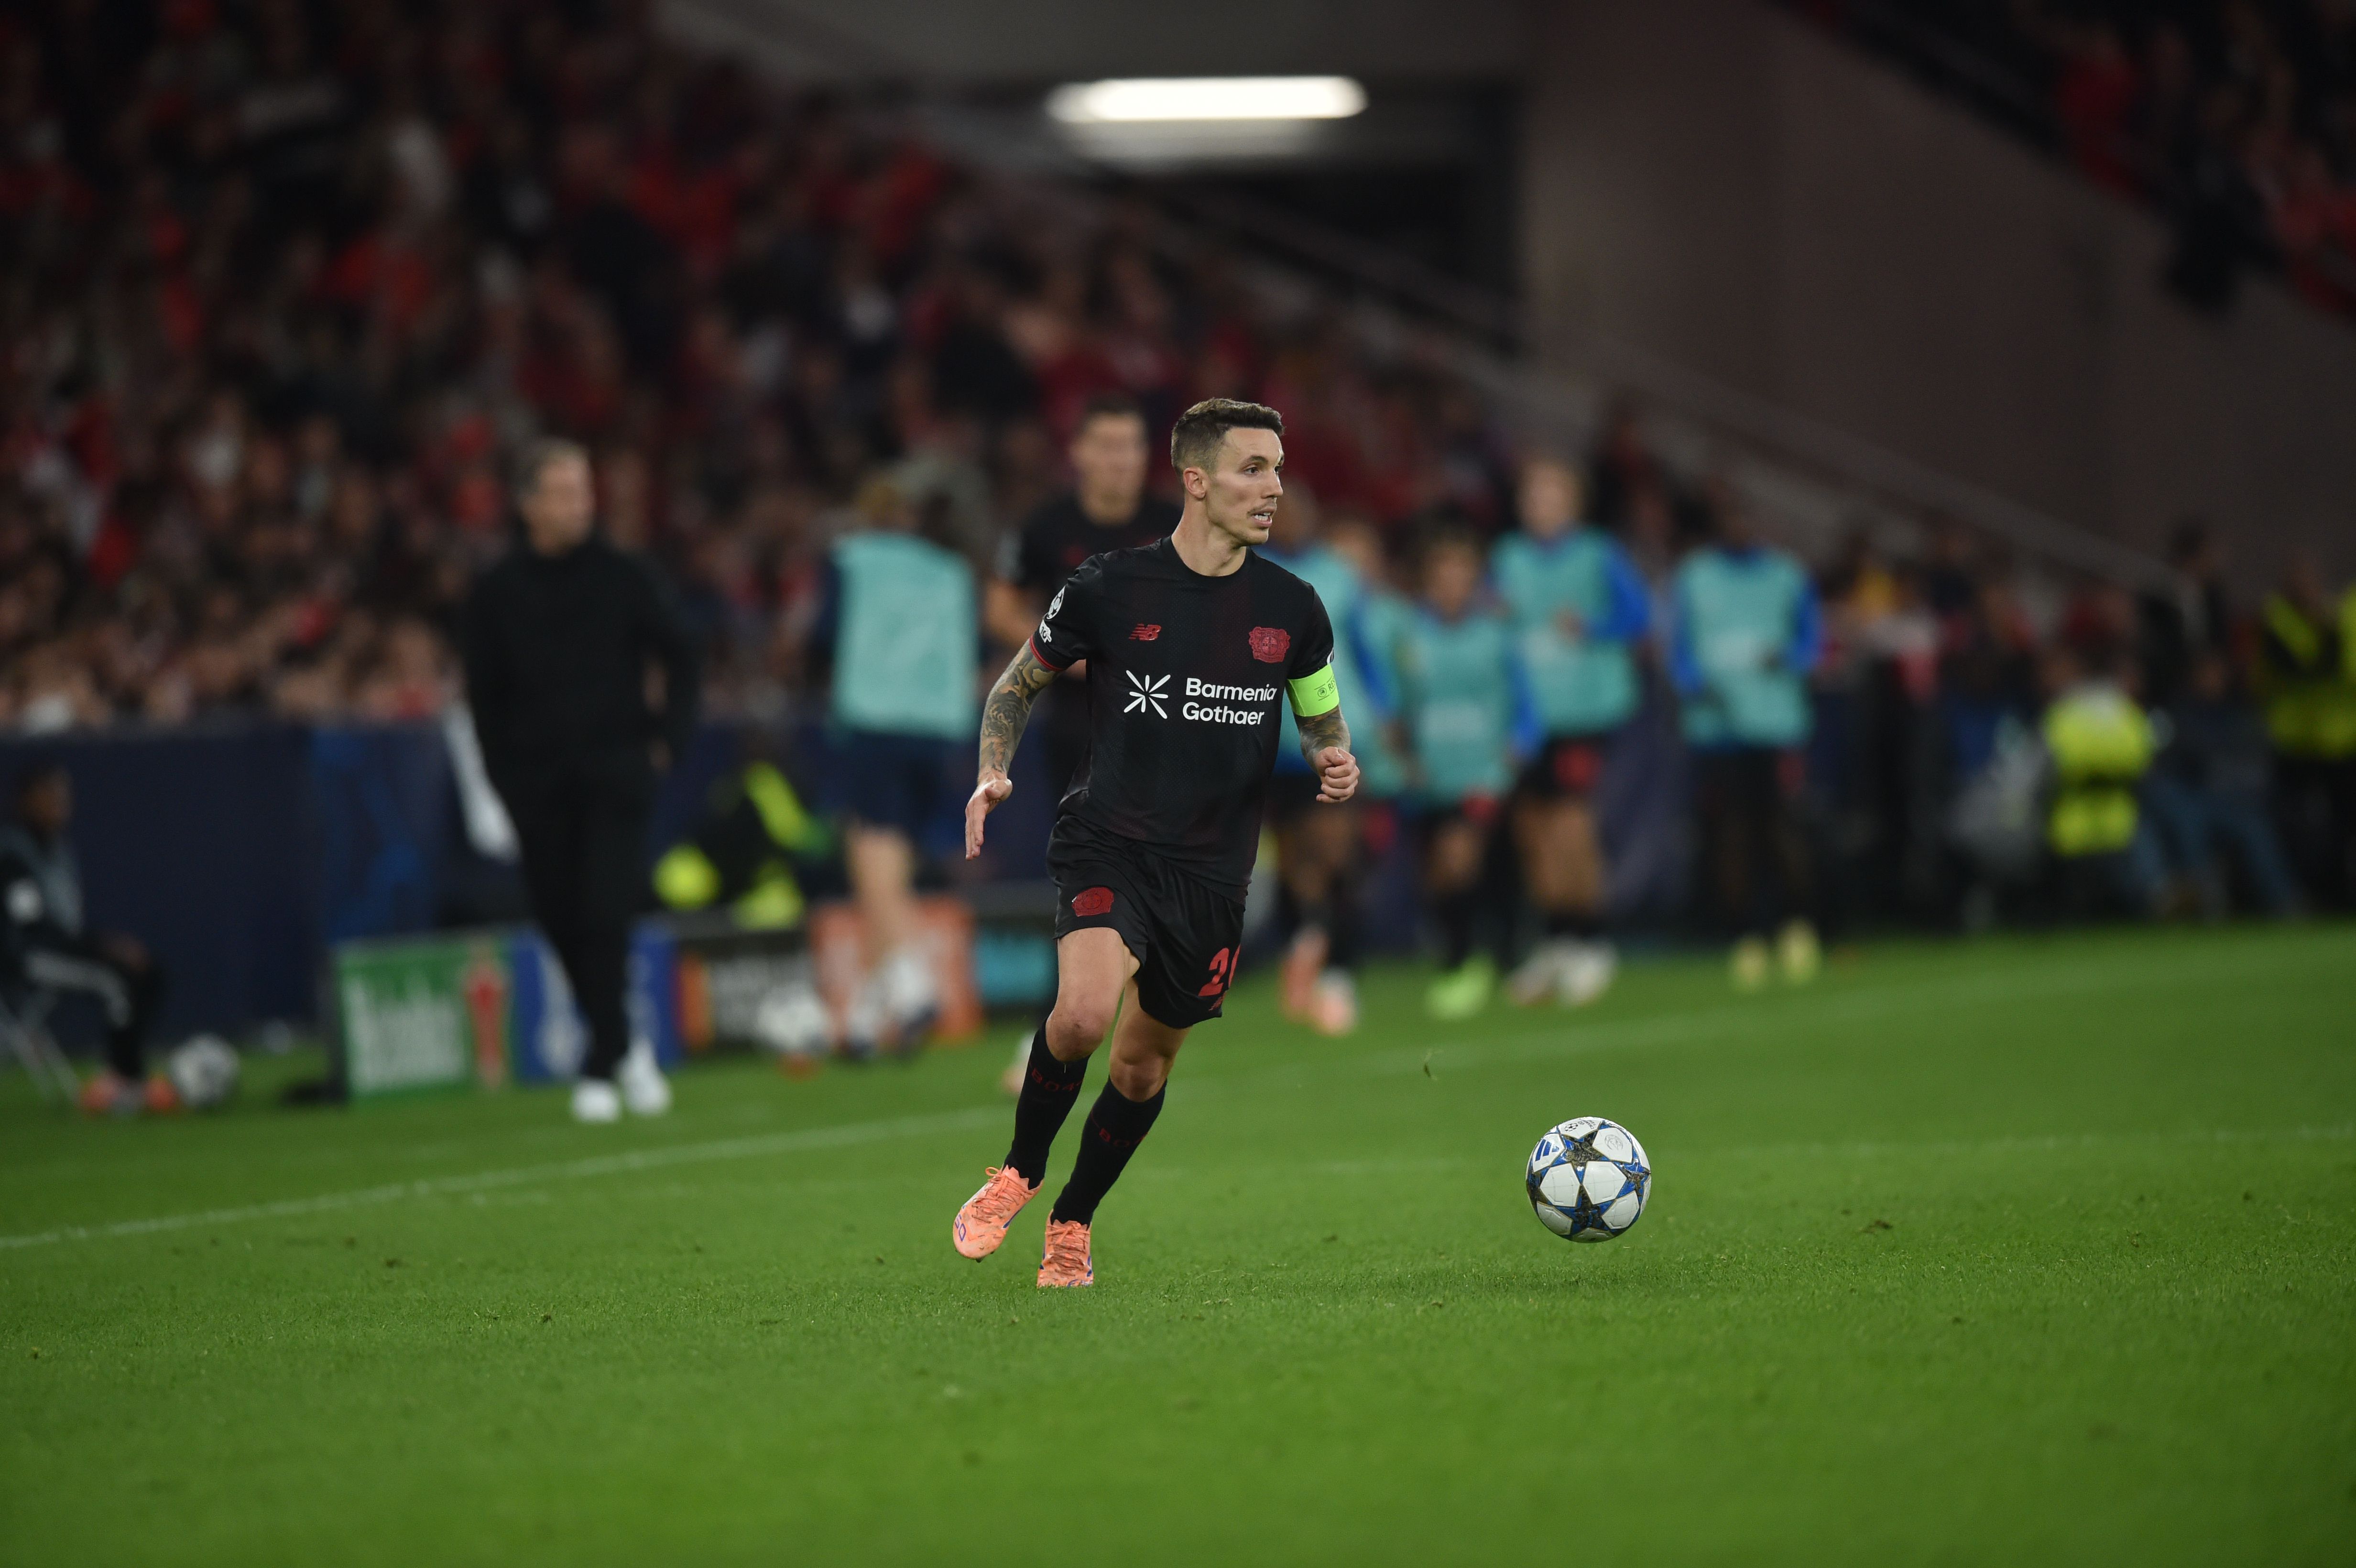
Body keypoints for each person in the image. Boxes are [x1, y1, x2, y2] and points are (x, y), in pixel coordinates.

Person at [955, 398, 1358, 1288]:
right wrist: (993, 769)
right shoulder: (1109, 585)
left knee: (1140, 1070)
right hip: (1109, 840)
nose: (1274, 488)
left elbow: (1320, 712)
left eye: (1278, 469)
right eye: (1253, 469)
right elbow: (1016, 686)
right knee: (1082, 1016)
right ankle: (1020, 1170)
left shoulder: (1294, 607)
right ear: (1196, 480)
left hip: (1213, 873)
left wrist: (1332, 755)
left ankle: (1073, 1220)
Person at [462, 439, 699, 1124]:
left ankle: (602, 1062)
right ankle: (623, 1044)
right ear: (528, 504)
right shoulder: (496, 593)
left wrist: (669, 740)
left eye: (583, 491)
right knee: (559, 918)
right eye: (563, 492)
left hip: (616, 773)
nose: (579, 505)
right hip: (536, 784)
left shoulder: (624, 575)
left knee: (603, 910)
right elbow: (483, 697)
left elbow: (682, 652)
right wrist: (503, 779)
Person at [809, 477, 979, 1052]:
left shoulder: (853, 560)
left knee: (870, 846)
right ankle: (867, 1006)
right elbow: (971, 650)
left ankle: (909, 979)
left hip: (875, 720)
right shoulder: (953, 572)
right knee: (893, 858)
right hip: (939, 730)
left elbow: (824, 636)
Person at [1493, 457, 1649, 1008]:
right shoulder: (1507, 557)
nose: (1538, 506)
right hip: (1524, 719)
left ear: (1572, 503)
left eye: (1549, 495)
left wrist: (1593, 627)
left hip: (1581, 713)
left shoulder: (1597, 554)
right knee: (1533, 831)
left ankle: (1591, 942)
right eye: (1531, 496)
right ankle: (1557, 940)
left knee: (1571, 826)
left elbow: (1639, 615)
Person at [984, 393, 1182, 802]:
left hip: (1170, 713)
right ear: (1079, 452)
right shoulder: (1045, 526)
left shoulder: (1179, 526)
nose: (1121, 460)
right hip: (1077, 719)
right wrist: (1064, 651)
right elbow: (999, 611)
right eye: (1108, 446)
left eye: (1132, 445)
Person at [1668, 501, 1824, 989]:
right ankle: (1744, 933)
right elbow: (1678, 649)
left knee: (1780, 826)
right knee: (1730, 832)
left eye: (1746, 518)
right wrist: (1695, 685)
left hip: (1776, 723)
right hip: (1717, 728)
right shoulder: (1694, 577)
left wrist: (1789, 659)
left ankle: (1796, 923)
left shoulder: (1787, 575)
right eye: (1729, 517)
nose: (1738, 526)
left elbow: (1812, 643)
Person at [1386, 528, 1538, 1020]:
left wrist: (1519, 745)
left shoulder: (1496, 635)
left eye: (1461, 577)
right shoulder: (1409, 636)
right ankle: (1487, 955)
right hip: (1431, 776)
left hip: (1483, 773)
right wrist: (1402, 752)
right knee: (1442, 874)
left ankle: (1469, 961)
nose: (1452, 587)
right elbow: (1396, 702)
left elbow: (1525, 700)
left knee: (1461, 858)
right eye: (1442, 577)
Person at [1255, 486, 1379, 1035]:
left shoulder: (1339, 574)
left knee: (1336, 851)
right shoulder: (1249, 571)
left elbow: (1363, 650)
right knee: (1295, 859)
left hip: (1334, 729)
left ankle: (1339, 970)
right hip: (1272, 737)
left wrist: (1383, 711)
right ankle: (1309, 951)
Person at [0, 762, 171, 1116]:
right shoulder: (13, 853)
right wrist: (102, 948)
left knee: (149, 972)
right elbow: (32, 927)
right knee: (116, 981)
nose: (61, 804)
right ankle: (122, 1081)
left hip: (61, 948)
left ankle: (128, 1075)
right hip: (27, 957)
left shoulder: (58, 848)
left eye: (63, 796)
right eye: (51, 796)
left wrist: (103, 946)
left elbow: (67, 926)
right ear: (27, 800)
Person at [2254, 554, 2356, 908]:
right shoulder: (2278, 619)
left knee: (2343, 823)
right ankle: (2304, 894)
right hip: (2294, 742)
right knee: (2296, 825)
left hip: (2340, 740)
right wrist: (2327, 629)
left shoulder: (2341, 614)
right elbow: (2307, 668)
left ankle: (2340, 893)